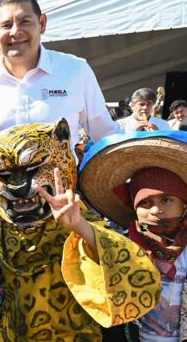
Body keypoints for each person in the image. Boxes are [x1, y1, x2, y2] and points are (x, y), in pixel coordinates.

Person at [0, 118, 161, 340]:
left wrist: (79, 226)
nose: (18, 186)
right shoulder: (0, 219)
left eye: (33, 167)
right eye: (2, 175)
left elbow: (139, 276)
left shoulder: (74, 214)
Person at [0, 0, 120, 148]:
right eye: (6, 25)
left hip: (63, 181)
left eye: (25, 22)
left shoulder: (76, 71)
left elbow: (107, 135)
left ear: (42, 24)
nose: (16, 32)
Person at [79, 131, 187, 341]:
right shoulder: (125, 245)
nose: (155, 211)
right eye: (145, 203)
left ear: (184, 204)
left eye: (166, 200)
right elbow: (100, 244)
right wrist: (75, 222)